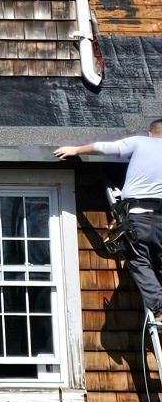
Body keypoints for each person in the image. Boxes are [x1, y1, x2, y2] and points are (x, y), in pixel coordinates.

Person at [56, 122, 162, 323]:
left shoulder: (140, 142)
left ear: (150, 133)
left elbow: (104, 148)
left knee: (139, 260)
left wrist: (75, 149)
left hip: (140, 215)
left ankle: (159, 309)